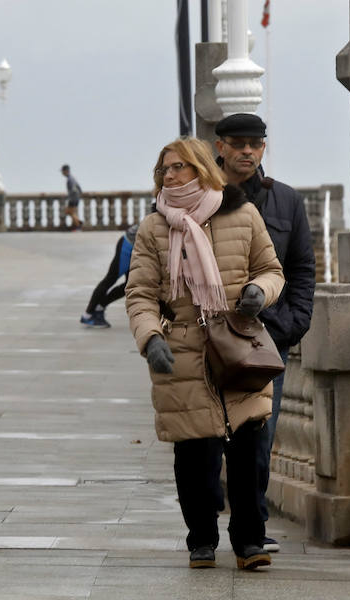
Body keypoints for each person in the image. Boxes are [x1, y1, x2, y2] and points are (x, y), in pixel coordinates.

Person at [125, 137, 284, 571]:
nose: (170, 176)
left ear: (200, 168)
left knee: (249, 453)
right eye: (164, 170)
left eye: (179, 167)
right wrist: (150, 338)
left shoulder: (243, 214)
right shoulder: (153, 228)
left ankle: (250, 542)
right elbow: (139, 294)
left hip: (238, 348)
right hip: (182, 354)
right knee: (194, 457)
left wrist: (259, 292)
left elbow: (272, 271)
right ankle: (201, 539)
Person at [214, 113, 316, 553]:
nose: (246, 151)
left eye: (254, 144)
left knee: (260, 437)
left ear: (264, 148)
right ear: (220, 146)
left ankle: (251, 528)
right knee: (209, 440)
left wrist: (295, 322)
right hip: (211, 338)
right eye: (237, 143)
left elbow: (301, 268)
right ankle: (203, 531)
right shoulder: (201, 198)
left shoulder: (287, 202)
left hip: (268, 341)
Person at [80, 223, 138, 328]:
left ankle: (99, 308)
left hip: (136, 248)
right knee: (110, 279)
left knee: (130, 285)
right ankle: (88, 315)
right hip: (128, 245)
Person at [61, 164, 83, 230]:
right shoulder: (72, 178)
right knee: (71, 212)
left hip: (73, 198)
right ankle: (77, 224)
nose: (62, 173)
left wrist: (71, 198)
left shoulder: (70, 179)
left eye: (63, 171)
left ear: (65, 171)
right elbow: (79, 188)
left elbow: (73, 190)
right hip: (76, 198)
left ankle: (79, 224)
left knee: (69, 212)